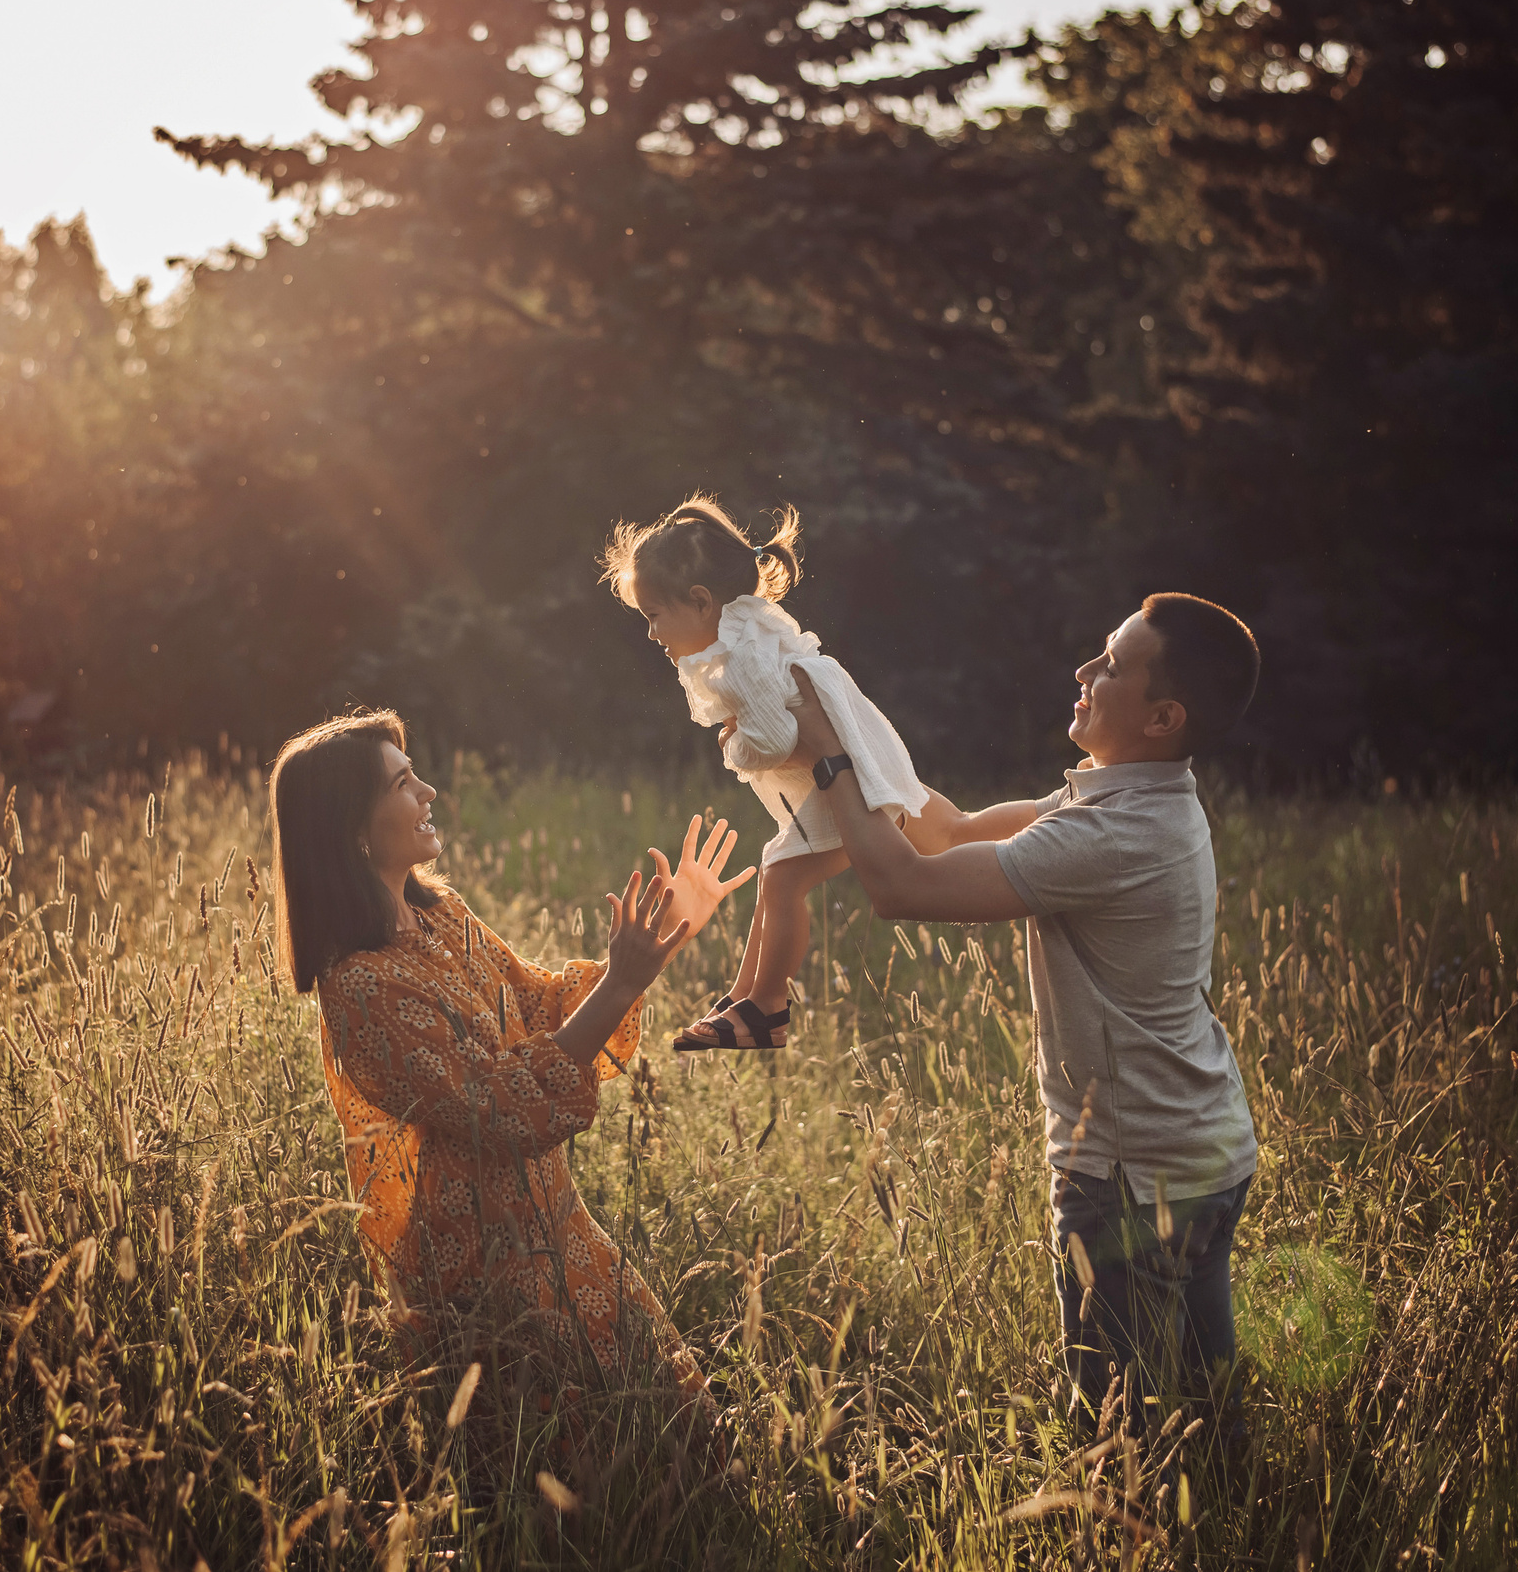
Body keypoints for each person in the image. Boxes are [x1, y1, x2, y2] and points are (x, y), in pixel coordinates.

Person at [780, 594, 1263, 1438]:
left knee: (1120, 1436)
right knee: (1208, 1417)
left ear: (1162, 716)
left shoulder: (1113, 834)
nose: (1084, 671)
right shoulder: (1133, 801)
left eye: (1111, 664)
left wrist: (830, 762)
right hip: (1202, 1150)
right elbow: (950, 830)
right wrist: (848, 724)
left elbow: (904, 885)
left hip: (1132, 1176)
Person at [267, 709, 751, 1399]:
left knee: (674, 1432)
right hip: (486, 1277)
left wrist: (661, 936)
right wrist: (620, 981)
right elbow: (495, 1104)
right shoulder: (362, 985)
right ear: (351, 826)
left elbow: (541, 1010)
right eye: (404, 782)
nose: (428, 790)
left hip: (562, 1231)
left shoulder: (443, 915)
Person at [600, 495, 928, 1053]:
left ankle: (767, 1006)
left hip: (845, 775)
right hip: (858, 756)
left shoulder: (741, 658)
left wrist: (733, 746)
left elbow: (775, 741)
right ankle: (745, 995)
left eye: (654, 615)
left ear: (701, 602)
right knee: (952, 832)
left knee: (783, 879)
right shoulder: (746, 629)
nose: (652, 634)